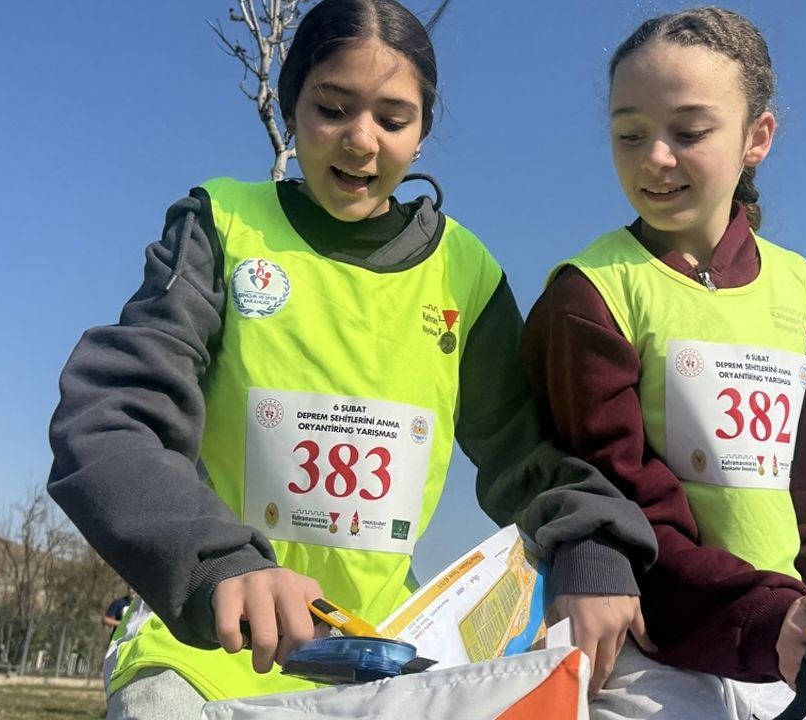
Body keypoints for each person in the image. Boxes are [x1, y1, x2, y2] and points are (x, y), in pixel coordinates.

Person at [47, 1, 656, 717]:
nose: (361, 142)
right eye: (332, 108)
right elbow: (114, 415)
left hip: (377, 655)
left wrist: (594, 546)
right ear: (291, 104)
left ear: (423, 132)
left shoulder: (467, 271)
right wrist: (221, 565)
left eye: (393, 120)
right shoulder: (221, 227)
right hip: (211, 649)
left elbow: (530, 455)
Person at [520, 7, 806, 720]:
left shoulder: (796, 286)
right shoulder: (588, 294)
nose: (655, 155)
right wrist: (768, 621)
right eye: (629, 133)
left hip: (800, 650)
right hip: (655, 661)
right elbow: (629, 506)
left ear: (757, 137)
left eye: (688, 131)